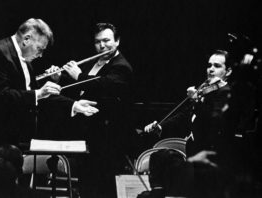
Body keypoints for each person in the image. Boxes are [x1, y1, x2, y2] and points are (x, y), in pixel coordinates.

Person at [0, 18, 99, 149]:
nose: (41, 55)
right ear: (26, 39)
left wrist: (74, 105)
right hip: (0, 141)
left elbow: (36, 97)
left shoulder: (25, 59)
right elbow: (1, 96)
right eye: (39, 48)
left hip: (20, 139)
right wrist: (38, 93)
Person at [46, 22, 133, 198]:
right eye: (97, 42)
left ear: (117, 42)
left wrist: (78, 75)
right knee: (86, 185)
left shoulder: (121, 66)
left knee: (102, 187)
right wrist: (58, 79)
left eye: (107, 40)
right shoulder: (92, 63)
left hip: (107, 138)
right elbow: (78, 89)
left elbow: (103, 86)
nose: (102, 46)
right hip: (84, 134)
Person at [144, 50, 234, 197]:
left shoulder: (227, 93)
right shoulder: (205, 89)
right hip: (193, 153)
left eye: (217, 66)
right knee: (159, 157)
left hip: (210, 160)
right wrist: (161, 126)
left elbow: (213, 122)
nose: (210, 69)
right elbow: (185, 116)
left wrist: (197, 101)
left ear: (228, 71)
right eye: (209, 65)